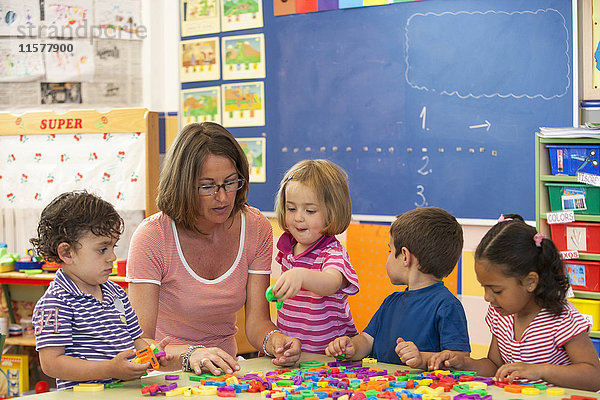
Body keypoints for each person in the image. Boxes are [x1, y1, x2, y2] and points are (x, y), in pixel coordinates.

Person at [126, 122, 301, 376]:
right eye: (208, 186)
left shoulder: (255, 227)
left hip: (227, 373)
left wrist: (275, 340)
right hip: (165, 376)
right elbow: (140, 344)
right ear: (183, 185)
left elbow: (256, 323)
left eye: (231, 182)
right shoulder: (153, 236)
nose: (223, 197)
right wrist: (191, 354)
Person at [429, 215, 600, 391]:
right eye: (484, 287)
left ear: (530, 282)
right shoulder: (501, 314)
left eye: (496, 290)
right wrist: (464, 363)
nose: (487, 297)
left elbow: (594, 377)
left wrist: (540, 371)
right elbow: (494, 365)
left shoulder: (562, 318)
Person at [30, 191, 170, 390]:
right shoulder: (55, 303)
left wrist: (152, 353)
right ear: (67, 253)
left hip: (125, 392)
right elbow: (51, 364)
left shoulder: (117, 293)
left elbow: (136, 340)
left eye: (113, 247)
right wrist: (110, 369)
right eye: (102, 249)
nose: (112, 257)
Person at [326, 207, 470, 368]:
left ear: (405, 256)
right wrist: (352, 347)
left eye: (390, 250)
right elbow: (367, 339)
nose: (388, 256)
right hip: (380, 390)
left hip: (422, 392)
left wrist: (422, 358)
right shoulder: (391, 302)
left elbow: (459, 360)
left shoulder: (447, 305)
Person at [272, 159, 359, 353]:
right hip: (296, 355)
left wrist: (300, 275)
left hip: (330, 356)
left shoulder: (332, 252)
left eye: (310, 211)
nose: (298, 217)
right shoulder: (287, 249)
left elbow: (331, 282)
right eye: (291, 208)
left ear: (332, 213)